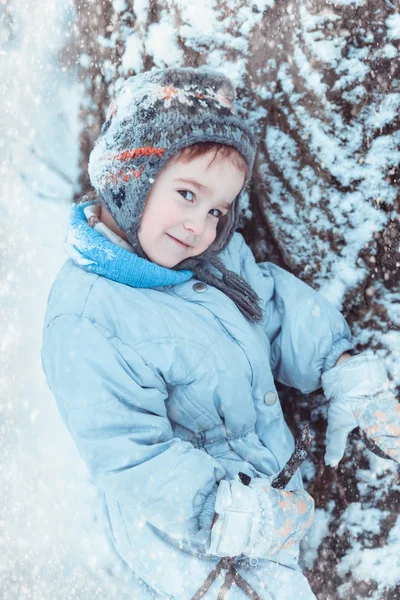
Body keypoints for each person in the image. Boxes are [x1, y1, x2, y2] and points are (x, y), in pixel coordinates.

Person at [41, 67, 400, 600]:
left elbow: (271, 307)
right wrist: (224, 511)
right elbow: (131, 456)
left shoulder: (210, 257)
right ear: (129, 178)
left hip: (266, 508)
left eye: (216, 210)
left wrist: (340, 367)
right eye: (186, 193)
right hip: (187, 544)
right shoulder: (87, 319)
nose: (199, 226)